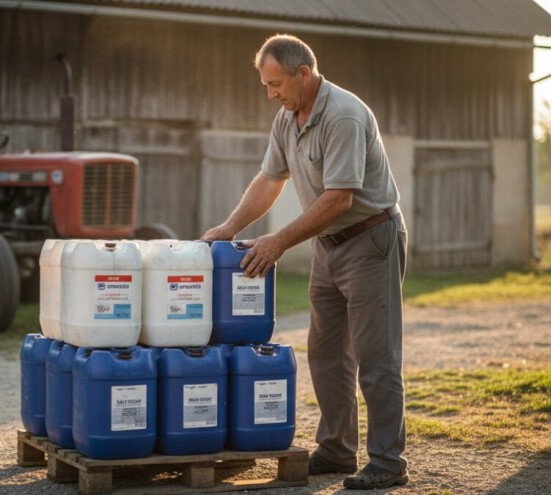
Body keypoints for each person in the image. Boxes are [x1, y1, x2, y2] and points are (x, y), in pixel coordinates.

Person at [201, 34, 409, 490]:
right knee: (327, 353)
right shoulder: (286, 119)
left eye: (275, 83)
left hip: (370, 239)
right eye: (265, 85)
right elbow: (268, 180)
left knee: (377, 357)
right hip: (328, 246)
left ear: (304, 73)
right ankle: (337, 451)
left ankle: (389, 462)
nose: (270, 93)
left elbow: (339, 198)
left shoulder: (345, 115)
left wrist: (278, 241)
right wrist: (230, 228)